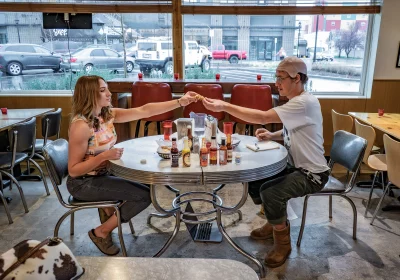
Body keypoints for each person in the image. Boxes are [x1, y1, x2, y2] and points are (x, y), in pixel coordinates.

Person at [201, 57, 330, 268]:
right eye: (276, 77)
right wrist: (273, 136)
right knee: (255, 178)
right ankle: (274, 220)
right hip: (296, 167)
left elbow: (262, 117)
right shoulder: (298, 102)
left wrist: (224, 105)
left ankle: (283, 243)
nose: (276, 83)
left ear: (297, 78)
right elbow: (293, 130)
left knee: (271, 192)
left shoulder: (303, 102)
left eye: (281, 78)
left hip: (312, 174)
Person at [67, 75, 197, 256]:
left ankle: (109, 212)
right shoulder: (81, 126)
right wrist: (104, 155)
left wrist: (180, 102)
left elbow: (145, 110)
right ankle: (101, 232)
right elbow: (73, 170)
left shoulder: (106, 115)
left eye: (107, 88)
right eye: (103, 90)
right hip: (83, 183)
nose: (109, 94)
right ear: (89, 95)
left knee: (150, 183)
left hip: (103, 175)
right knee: (144, 196)